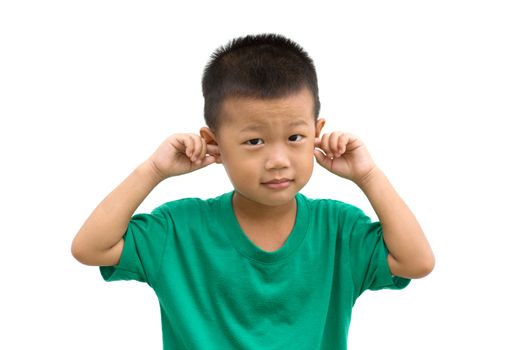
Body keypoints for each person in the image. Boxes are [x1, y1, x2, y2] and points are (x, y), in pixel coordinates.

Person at [71, 33, 435, 349]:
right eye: (254, 141)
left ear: (316, 132)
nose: (278, 160)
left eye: (295, 137)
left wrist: (368, 176)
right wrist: (153, 170)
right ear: (213, 142)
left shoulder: (338, 228)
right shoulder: (179, 229)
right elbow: (91, 248)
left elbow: (416, 262)